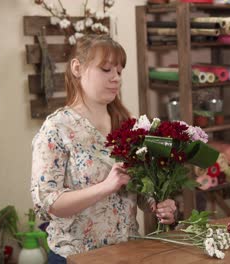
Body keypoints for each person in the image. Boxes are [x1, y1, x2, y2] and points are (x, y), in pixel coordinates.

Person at [30, 35, 177, 263]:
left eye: (119, 72)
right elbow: (49, 203)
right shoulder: (57, 128)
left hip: (127, 253)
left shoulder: (129, 123)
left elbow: (140, 188)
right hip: (76, 257)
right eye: (106, 69)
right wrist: (106, 187)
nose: (115, 78)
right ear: (77, 68)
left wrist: (157, 204)